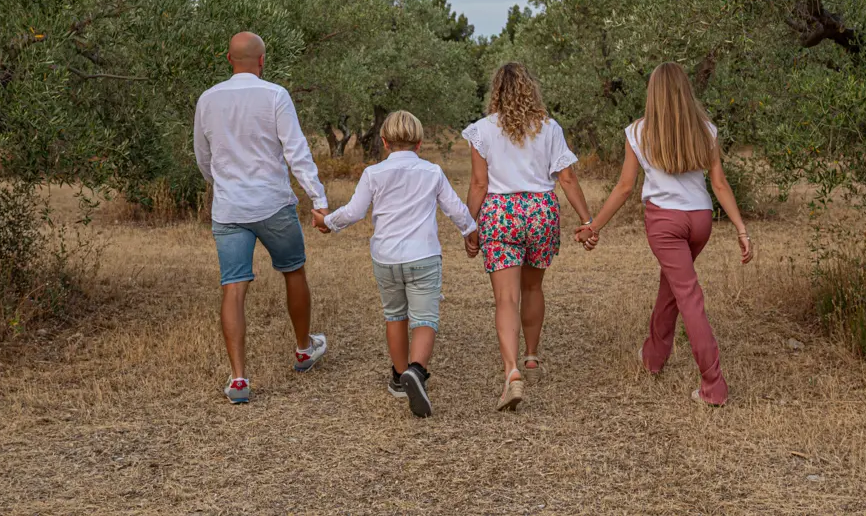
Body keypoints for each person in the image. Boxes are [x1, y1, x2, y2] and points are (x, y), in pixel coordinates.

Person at [575, 62, 754, 406]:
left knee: (688, 296)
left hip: (665, 223)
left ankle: (713, 386)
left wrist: (594, 226)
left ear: (652, 93)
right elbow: (719, 184)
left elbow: (625, 187)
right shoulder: (706, 129)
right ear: (685, 91)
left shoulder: (637, 132)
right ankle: (653, 357)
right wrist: (741, 229)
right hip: (700, 220)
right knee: (672, 286)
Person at [313, 111, 479, 418]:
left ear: (385, 142)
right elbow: (455, 208)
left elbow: (354, 211)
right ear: (419, 143)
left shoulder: (373, 174)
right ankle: (417, 371)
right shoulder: (432, 172)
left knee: (395, 315)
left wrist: (328, 222)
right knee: (425, 318)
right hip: (423, 256)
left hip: (386, 258)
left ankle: (399, 376)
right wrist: (470, 232)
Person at [194, 32, 330, 405]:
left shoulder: (207, 99)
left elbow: (202, 157)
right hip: (273, 203)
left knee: (233, 287)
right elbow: (296, 152)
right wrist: (318, 199)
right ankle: (303, 349)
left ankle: (238, 379)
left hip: (229, 208)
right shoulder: (274, 95)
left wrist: (223, 183)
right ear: (262, 61)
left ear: (228, 58)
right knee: (294, 271)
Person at [463, 63, 593, 411]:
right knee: (533, 288)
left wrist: (469, 225)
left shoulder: (480, 131)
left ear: (496, 92)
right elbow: (566, 178)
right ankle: (532, 357)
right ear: (530, 90)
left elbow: (479, 184)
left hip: (500, 214)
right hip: (540, 212)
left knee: (506, 298)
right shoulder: (549, 128)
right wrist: (587, 219)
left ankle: (512, 371)